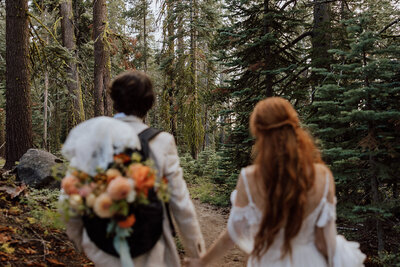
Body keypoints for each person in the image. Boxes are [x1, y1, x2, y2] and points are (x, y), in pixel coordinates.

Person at [184, 97, 365, 267]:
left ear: (259, 132)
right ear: (295, 127)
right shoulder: (323, 176)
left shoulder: (249, 178)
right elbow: (324, 243)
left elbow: (232, 234)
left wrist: (202, 262)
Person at [64, 70, 205, 266]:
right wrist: (197, 254)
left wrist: (83, 241)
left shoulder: (95, 139)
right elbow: (181, 203)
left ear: (115, 101)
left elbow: (71, 194)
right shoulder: (162, 142)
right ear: (148, 104)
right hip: (151, 245)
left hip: (103, 245)